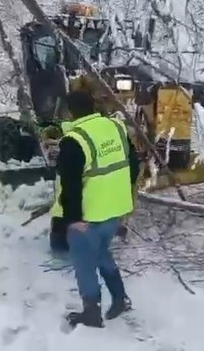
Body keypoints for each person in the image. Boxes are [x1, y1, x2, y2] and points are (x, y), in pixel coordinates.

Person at [56, 90, 140, 328]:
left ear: (70, 111)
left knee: (85, 265)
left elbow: (69, 184)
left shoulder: (74, 140)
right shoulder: (115, 127)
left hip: (89, 216)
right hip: (115, 210)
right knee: (102, 252)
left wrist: (72, 219)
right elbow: (132, 166)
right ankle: (120, 298)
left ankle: (91, 313)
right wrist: (121, 197)